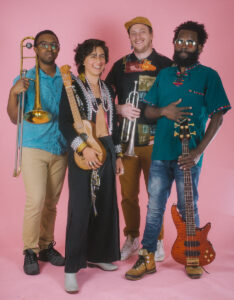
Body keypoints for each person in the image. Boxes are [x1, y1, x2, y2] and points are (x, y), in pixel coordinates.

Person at [125, 21, 231, 280]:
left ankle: (191, 256)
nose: (183, 46)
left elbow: (218, 117)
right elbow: (147, 110)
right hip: (161, 153)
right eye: (180, 41)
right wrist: (163, 111)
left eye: (190, 42)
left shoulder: (209, 75)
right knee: (154, 208)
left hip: (188, 157)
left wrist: (197, 153)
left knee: (188, 206)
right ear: (174, 44)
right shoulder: (164, 75)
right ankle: (147, 257)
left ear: (200, 46)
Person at [59, 39, 123, 293]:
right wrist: (83, 149)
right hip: (81, 149)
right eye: (92, 56)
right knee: (81, 206)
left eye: (102, 56)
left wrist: (117, 155)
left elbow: (113, 126)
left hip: (106, 147)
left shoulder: (108, 89)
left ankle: (98, 254)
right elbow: (64, 123)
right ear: (82, 60)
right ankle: (72, 268)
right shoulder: (71, 86)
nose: (98, 60)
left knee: (105, 203)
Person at [106, 16, 172, 262]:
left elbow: (175, 98)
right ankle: (132, 237)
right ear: (130, 38)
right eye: (133, 33)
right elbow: (104, 97)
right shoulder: (120, 65)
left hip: (157, 141)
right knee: (128, 195)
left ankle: (156, 239)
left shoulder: (166, 64)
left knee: (157, 195)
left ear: (151, 35)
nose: (138, 37)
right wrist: (120, 107)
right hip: (126, 141)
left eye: (142, 32)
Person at [7, 30, 68, 275]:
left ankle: (45, 246)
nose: (49, 48)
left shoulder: (66, 79)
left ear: (58, 48)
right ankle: (29, 251)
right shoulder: (25, 78)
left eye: (54, 44)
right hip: (34, 146)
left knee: (51, 203)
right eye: (44, 44)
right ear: (35, 49)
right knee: (36, 200)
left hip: (61, 147)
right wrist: (14, 93)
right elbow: (14, 118)